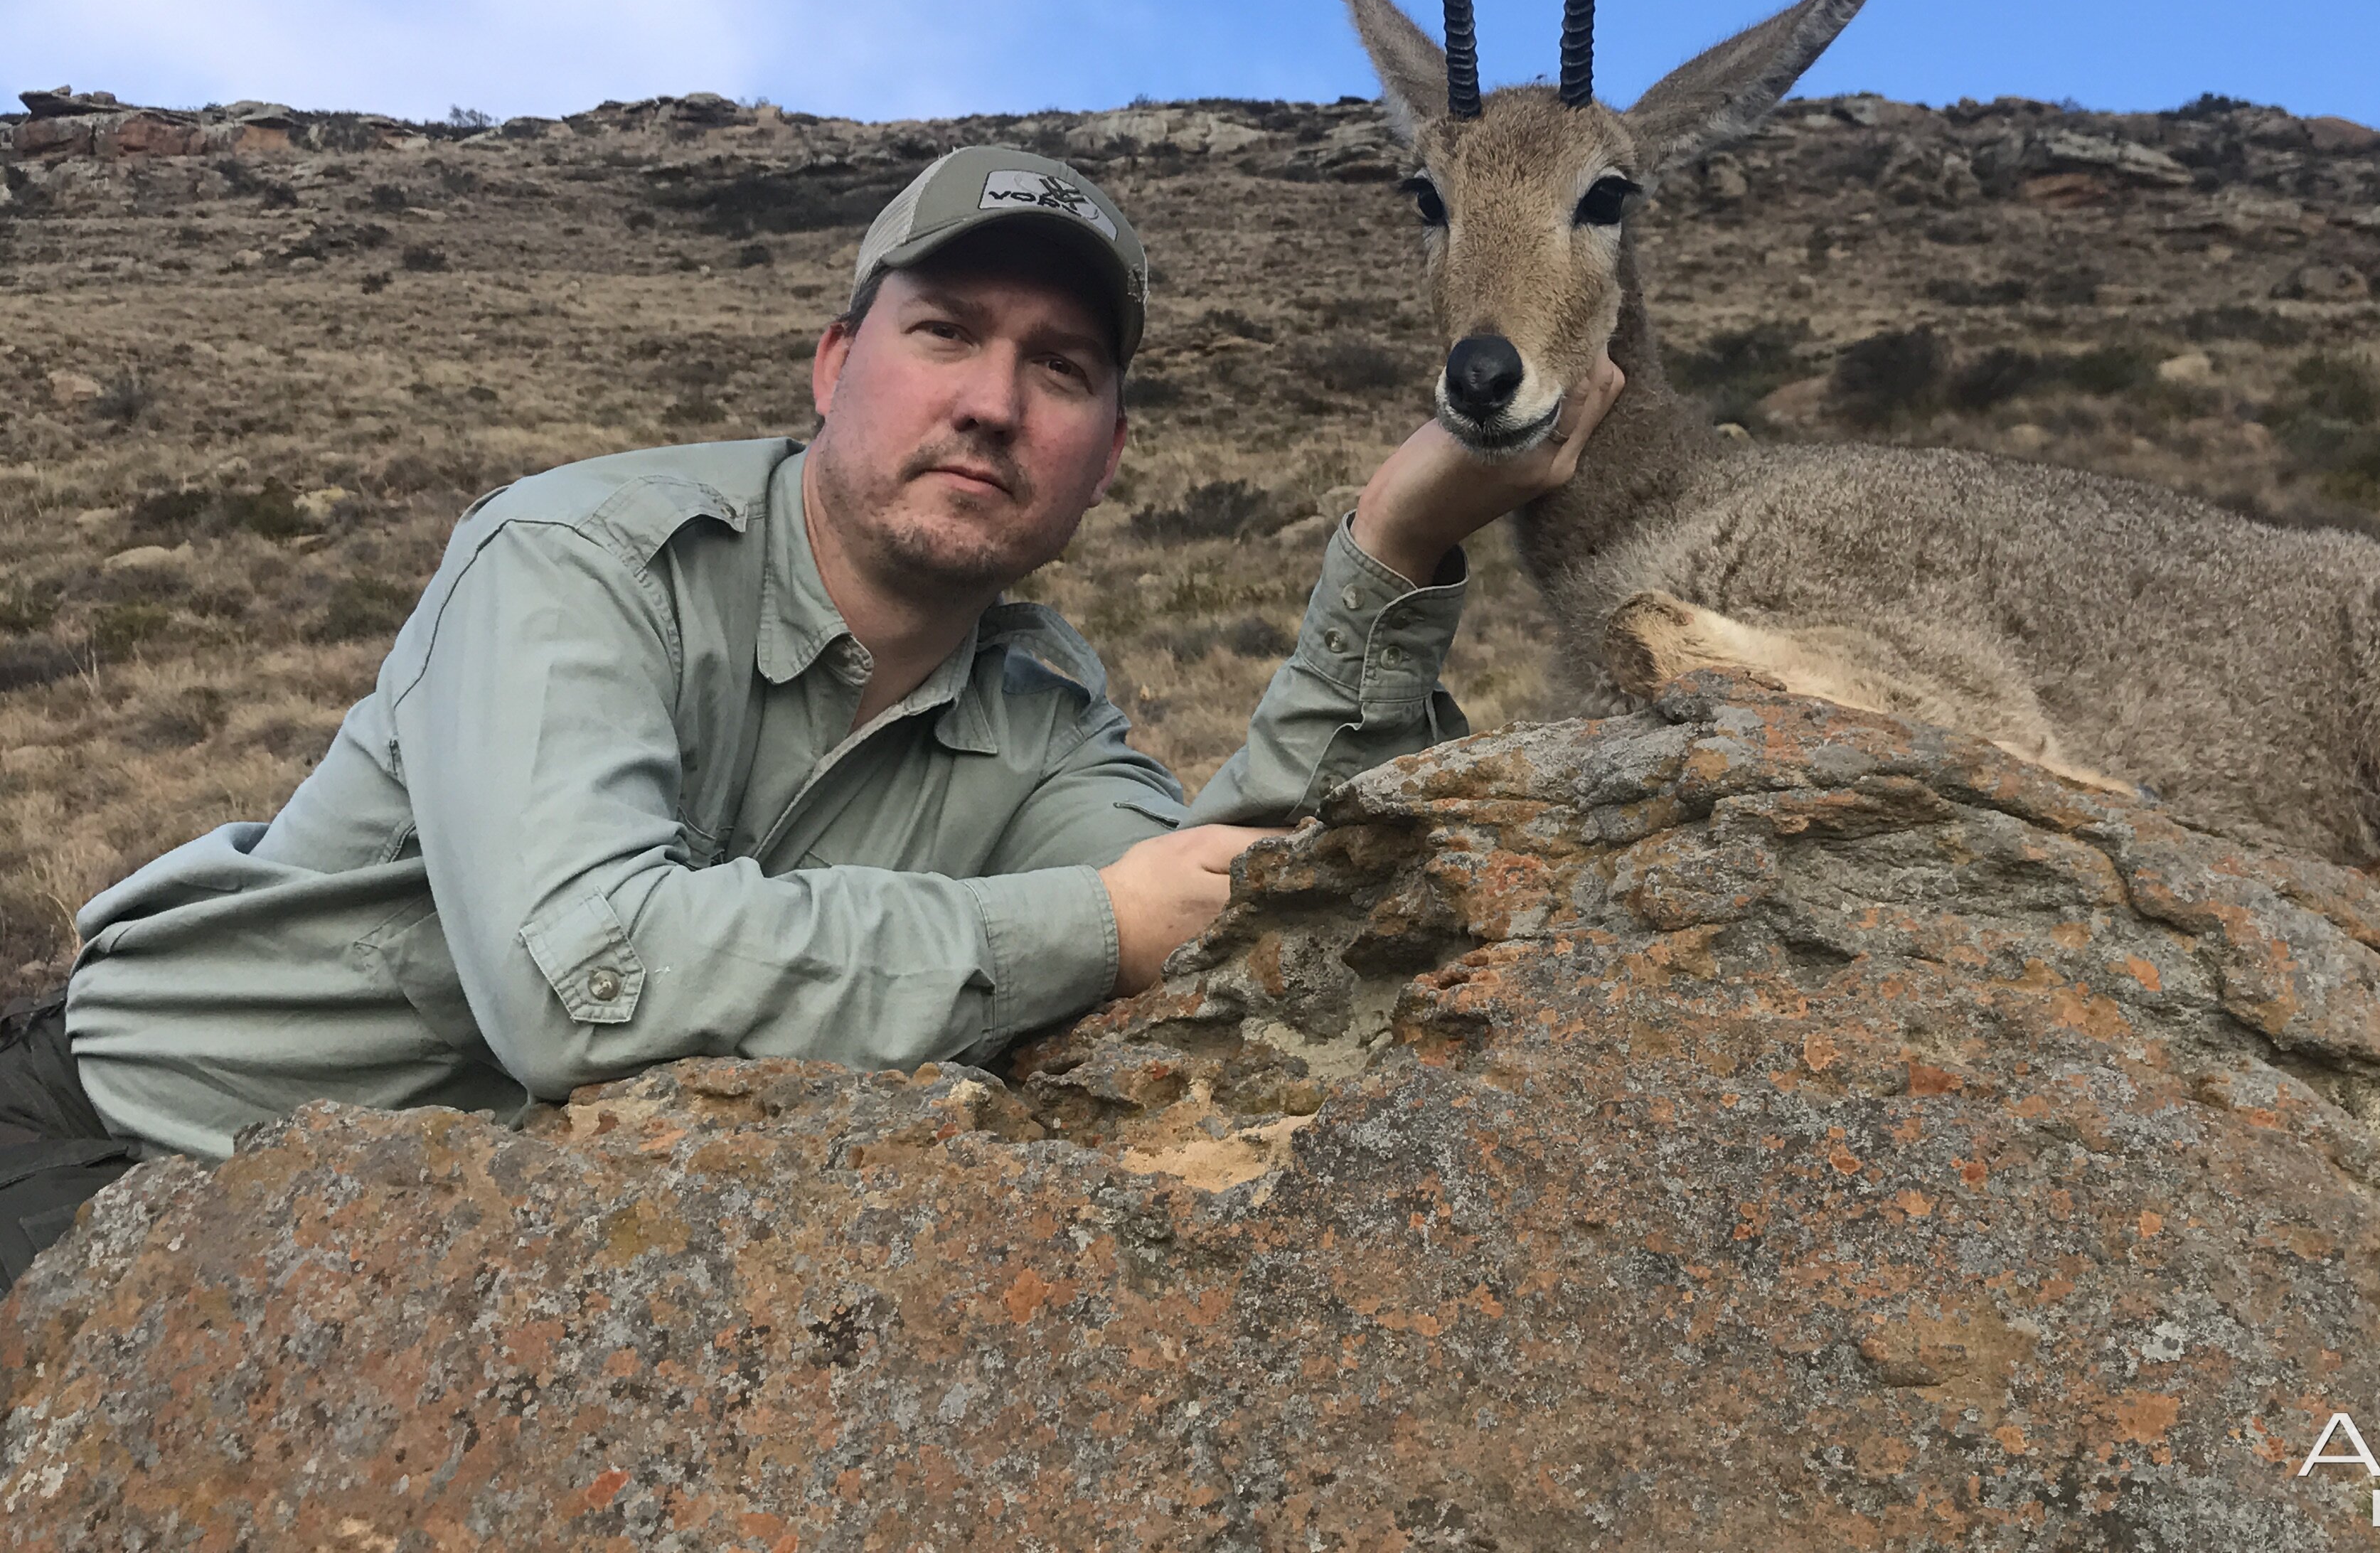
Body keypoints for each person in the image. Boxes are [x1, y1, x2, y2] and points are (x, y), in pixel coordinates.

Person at [0, 146, 1621, 1285]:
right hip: (125, 1145)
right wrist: (1077, 928)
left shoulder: (1043, 710)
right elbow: (585, 981)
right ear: (835, 361)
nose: (994, 399)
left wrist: (1396, 545)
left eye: (1062, 368)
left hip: (461, 1235)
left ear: (1109, 453)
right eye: (944, 335)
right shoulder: (575, 557)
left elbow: (1226, 904)